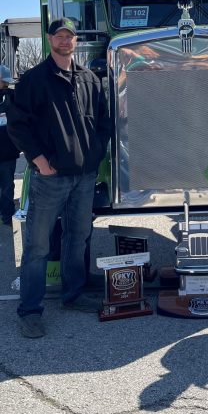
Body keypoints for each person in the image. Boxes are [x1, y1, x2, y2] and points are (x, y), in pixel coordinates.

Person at [8, 18, 110, 338]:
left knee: (77, 237)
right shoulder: (34, 80)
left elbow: (104, 124)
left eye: (70, 36)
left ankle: (73, 294)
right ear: (50, 39)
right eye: (59, 36)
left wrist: (94, 158)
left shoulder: (90, 79)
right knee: (38, 246)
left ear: (76, 41)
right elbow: (17, 124)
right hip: (50, 177)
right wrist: (39, 160)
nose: (65, 41)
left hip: (83, 176)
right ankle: (30, 310)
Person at [0, 65, 20, 226]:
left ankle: (7, 215)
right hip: (8, 150)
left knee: (7, 186)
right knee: (6, 186)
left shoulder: (12, 97)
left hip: (8, 151)